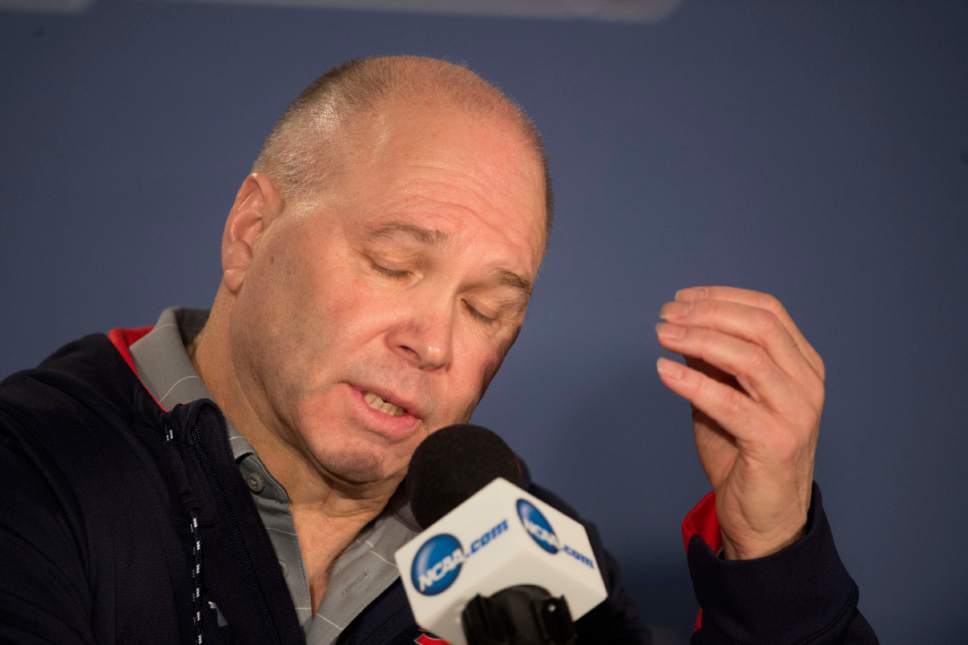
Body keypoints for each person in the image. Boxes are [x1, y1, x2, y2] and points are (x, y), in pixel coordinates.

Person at [0, 56, 877, 644]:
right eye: (394, 265)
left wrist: (773, 558)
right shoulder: (35, 467)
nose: (433, 341)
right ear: (250, 231)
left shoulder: (535, 555)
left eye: (487, 308)